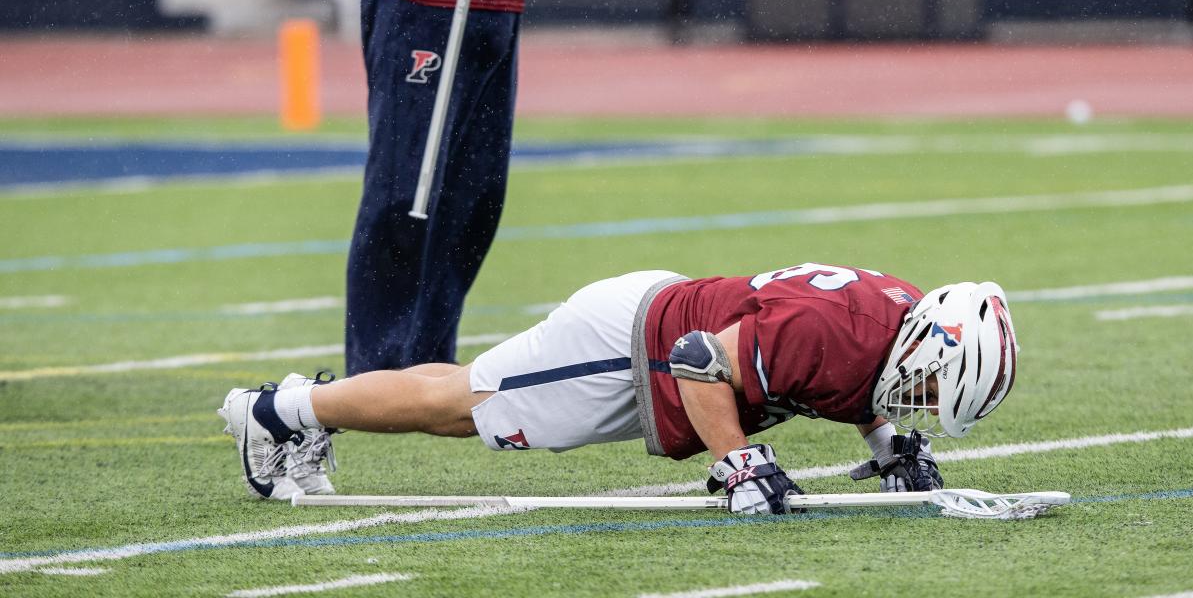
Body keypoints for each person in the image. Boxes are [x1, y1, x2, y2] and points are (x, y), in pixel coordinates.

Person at [219, 263, 1020, 512]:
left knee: (468, 396)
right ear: (932, 342)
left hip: (654, 325)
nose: (923, 396)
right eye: (935, 384)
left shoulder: (891, 319)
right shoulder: (839, 331)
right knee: (463, 410)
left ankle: (297, 407)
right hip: (631, 343)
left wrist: (888, 447)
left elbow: (856, 385)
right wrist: (739, 464)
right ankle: (277, 411)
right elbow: (701, 359)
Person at [334, 0, 635, 375]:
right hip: (421, 1)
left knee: (473, 197)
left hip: (497, 2)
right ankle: (376, 371)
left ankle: (428, 360)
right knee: (406, 188)